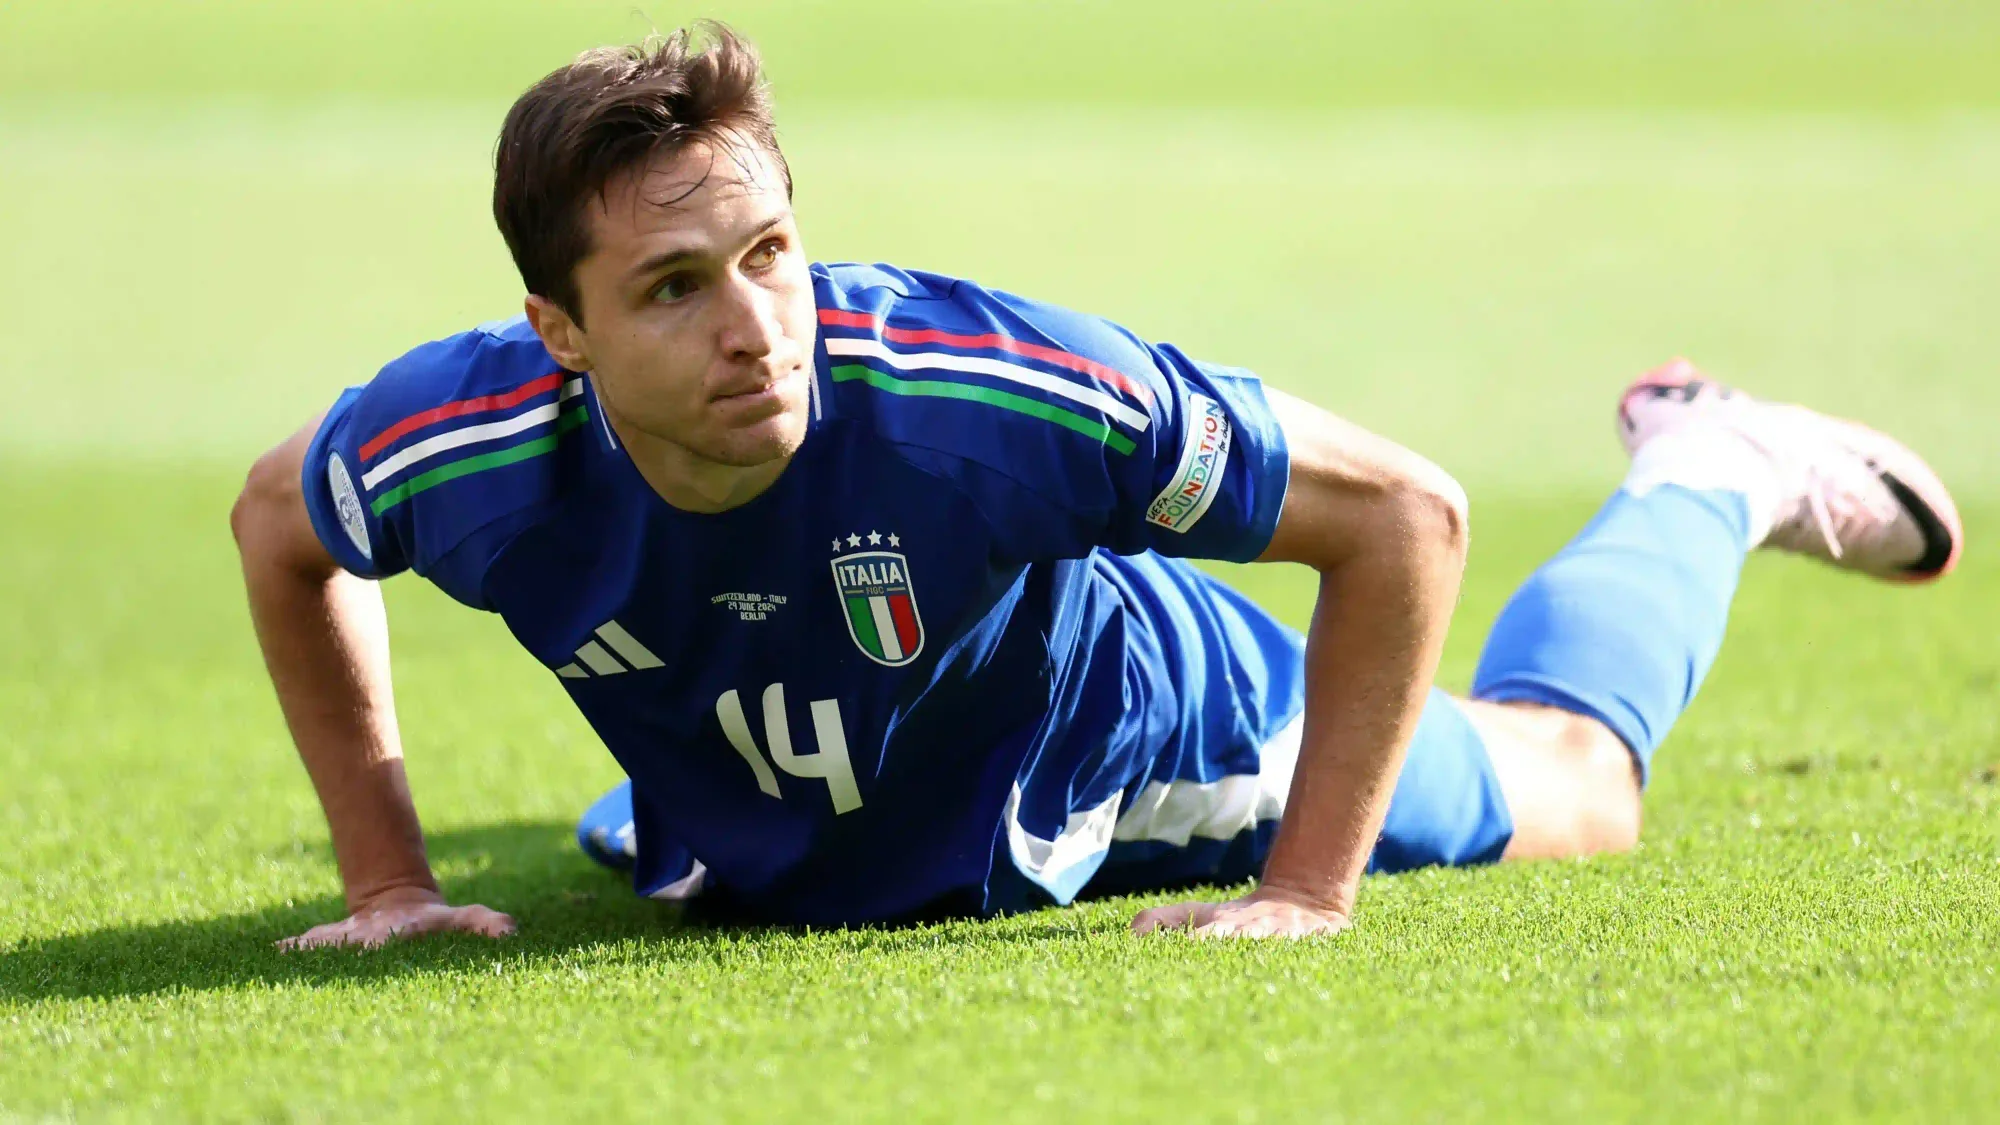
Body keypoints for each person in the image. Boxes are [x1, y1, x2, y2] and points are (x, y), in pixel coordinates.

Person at [230, 26, 1963, 947]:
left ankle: (1714, 470)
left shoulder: (987, 401)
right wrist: (385, 879)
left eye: (772, 253)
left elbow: (1403, 516)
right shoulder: (457, 442)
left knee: (1578, 789)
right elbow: (277, 529)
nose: (759, 326)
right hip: (816, 806)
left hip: (1157, 741)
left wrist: (1306, 894)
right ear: (562, 332)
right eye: (676, 288)